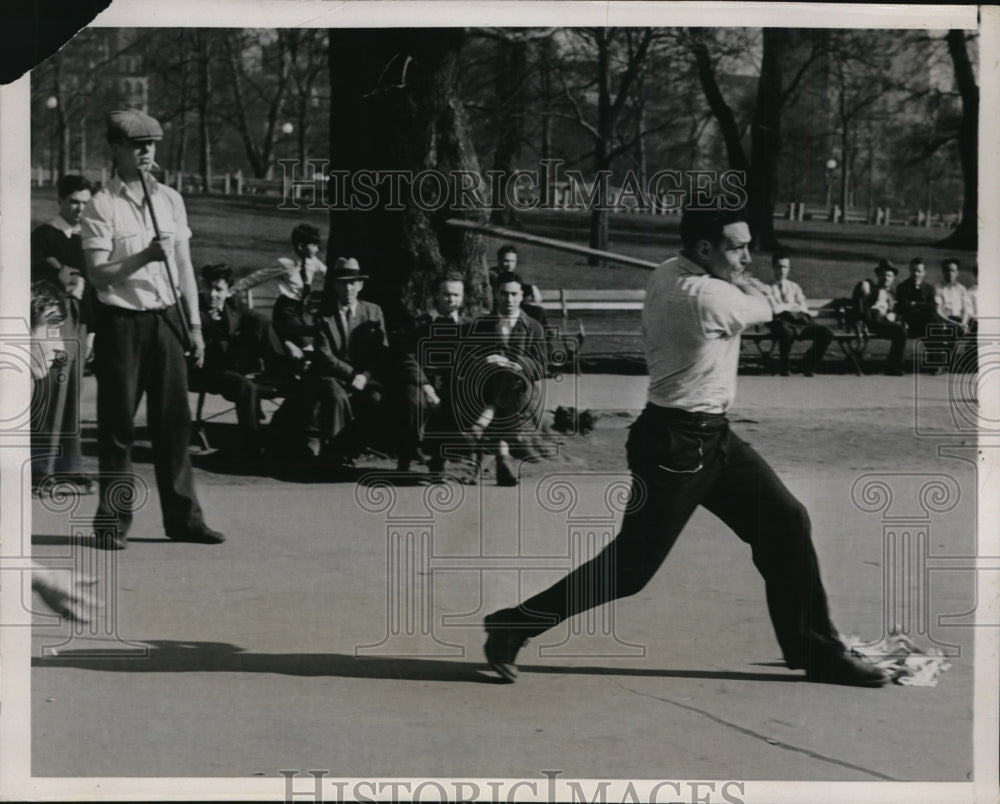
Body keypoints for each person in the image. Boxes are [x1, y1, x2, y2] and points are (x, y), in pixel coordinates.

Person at [483, 206, 889, 688]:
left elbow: (744, 289)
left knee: (785, 522)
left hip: (713, 436)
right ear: (703, 250)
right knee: (631, 570)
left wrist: (748, 285)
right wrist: (771, 301)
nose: (747, 256)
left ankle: (814, 649)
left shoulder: (667, 273)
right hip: (675, 445)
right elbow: (766, 307)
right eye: (737, 247)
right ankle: (514, 625)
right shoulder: (702, 297)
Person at [80, 109, 224, 549]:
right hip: (122, 324)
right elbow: (99, 273)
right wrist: (144, 256)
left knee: (174, 426)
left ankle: (184, 519)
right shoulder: (101, 205)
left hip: (166, 321)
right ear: (116, 148)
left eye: (152, 144)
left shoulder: (170, 199)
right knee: (118, 427)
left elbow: (182, 265)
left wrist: (195, 327)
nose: (147, 152)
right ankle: (111, 524)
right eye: (138, 144)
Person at [275, 257, 391, 471]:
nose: (349, 288)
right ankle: (335, 455)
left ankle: (352, 448)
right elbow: (325, 355)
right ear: (335, 286)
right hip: (332, 375)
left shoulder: (373, 312)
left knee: (375, 398)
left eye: (353, 282)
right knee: (335, 396)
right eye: (343, 282)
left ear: (360, 285)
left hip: (365, 376)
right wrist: (352, 375)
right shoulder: (323, 316)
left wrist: (364, 376)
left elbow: (380, 351)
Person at [30, 175, 98, 494]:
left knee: (72, 392)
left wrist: (93, 332)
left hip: (80, 320)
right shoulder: (44, 236)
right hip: (51, 318)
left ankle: (70, 465)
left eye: (85, 203)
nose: (80, 208)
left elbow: (94, 287)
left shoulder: (87, 240)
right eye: (74, 201)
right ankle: (40, 469)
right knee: (52, 390)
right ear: (60, 200)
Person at [189, 264, 290, 460]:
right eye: (208, 288)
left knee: (260, 322)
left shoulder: (233, 304)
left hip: (231, 364)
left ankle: (281, 370)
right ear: (201, 286)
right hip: (203, 369)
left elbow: (261, 323)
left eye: (218, 289)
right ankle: (252, 447)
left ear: (228, 291)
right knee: (245, 386)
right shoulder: (193, 310)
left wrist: (288, 344)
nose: (212, 294)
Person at [465, 271, 548, 487]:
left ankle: (488, 422)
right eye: (504, 294)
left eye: (514, 294)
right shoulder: (482, 324)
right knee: (501, 375)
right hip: (487, 385)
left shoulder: (533, 327)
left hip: (522, 389)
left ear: (522, 296)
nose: (509, 300)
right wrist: (487, 360)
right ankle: (503, 456)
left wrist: (515, 363)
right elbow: (469, 358)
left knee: (509, 373)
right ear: (495, 294)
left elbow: (541, 365)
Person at [398, 272, 473, 477]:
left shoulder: (468, 326)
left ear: (463, 296)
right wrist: (426, 386)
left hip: (453, 382)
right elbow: (408, 357)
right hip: (422, 382)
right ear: (437, 296)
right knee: (414, 401)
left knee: (456, 399)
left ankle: (440, 459)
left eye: (456, 295)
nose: (451, 299)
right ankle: (407, 453)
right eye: (447, 294)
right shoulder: (421, 324)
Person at [238, 223, 327, 351]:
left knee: (314, 343)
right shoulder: (285, 263)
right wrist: (232, 290)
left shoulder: (313, 261)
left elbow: (328, 273)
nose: (317, 250)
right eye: (313, 245)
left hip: (301, 311)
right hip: (286, 312)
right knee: (307, 349)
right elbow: (258, 277)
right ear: (301, 246)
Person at [765, 252, 832, 376]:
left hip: (799, 322)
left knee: (825, 333)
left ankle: (807, 365)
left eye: (785, 267)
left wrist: (788, 307)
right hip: (779, 322)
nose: (782, 271)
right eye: (779, 267)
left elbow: (803, 307)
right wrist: (792, 306)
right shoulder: (767, 288)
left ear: (789, 268)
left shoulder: (795, 287)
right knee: (786, 332)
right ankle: (784, 367)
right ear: (773, 267)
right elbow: (775, 310)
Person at [852, 259, 907, 376]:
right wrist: (864, 283)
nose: (886, 278)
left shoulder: (892, 294)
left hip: (885, 322)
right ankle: (893, 366)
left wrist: (894, 315)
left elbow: (897, 310)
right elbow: (861, 292)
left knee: (901, 331)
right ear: (878, 275)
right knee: (900, 331)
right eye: (883, 274)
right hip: (872, 321)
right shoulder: (871, 287)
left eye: (889, 275)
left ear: (893, 278)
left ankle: (893, 365)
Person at [894, 257, 938, 337]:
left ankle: (939, 348)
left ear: (924, 273)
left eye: (919, 271)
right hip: (910, 322)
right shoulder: (902, 287)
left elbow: (933, 307)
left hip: (927, 322)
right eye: (913, 270)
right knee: (932, 320)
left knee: (933, 318)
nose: (916, 274)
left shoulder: (929, 288)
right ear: (910, 270)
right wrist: (925, 307)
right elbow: (905, 307)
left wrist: (917, 304)